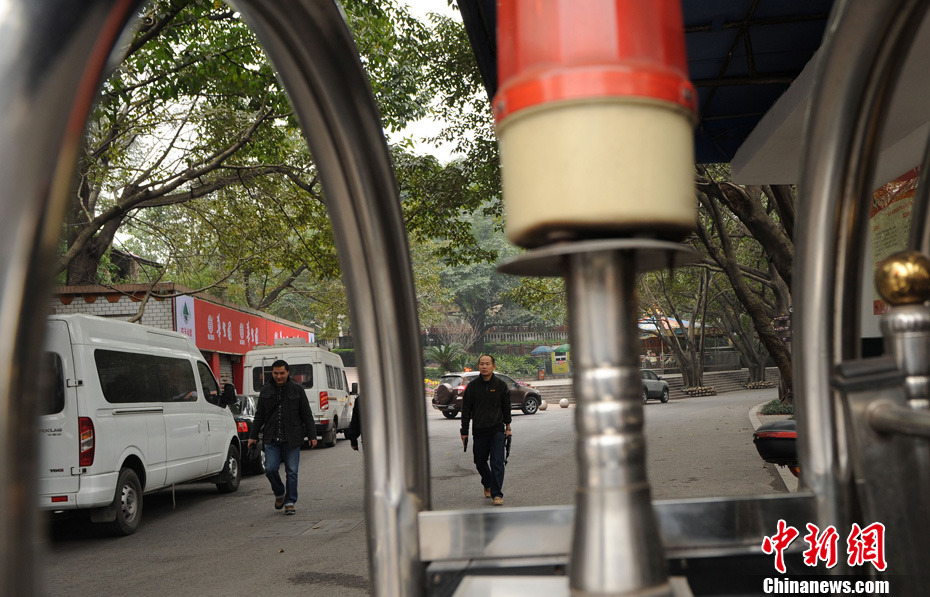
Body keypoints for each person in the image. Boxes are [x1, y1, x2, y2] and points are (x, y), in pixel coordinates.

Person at [247, 360, 317, 515]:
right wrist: (253, 436)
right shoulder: (266, 390)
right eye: (275, 373)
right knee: (270, 469)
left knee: (292, 471)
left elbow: (306, 414)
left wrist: (312, 435)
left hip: (292, 438)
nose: (278, 376)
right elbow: (259, 415)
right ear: (272, 373)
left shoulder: (297, 389)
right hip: (271, 438)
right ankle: (279, 493)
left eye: (282, 373)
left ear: (288, 372)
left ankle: (290, 501)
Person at [460, 354, 511, 506]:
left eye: (487, 364)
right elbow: (466, 410)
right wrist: (464, 431)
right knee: (479, 461)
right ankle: (487, 482)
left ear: (493, 366)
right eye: (482, 364)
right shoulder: (472, 387)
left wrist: (508, 427)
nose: (484, 366)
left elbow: (506, 408)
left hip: (497, 430)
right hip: (479, 430)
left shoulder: (501, 385)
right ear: (478, 366)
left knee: (497, 462)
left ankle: (497, 494)